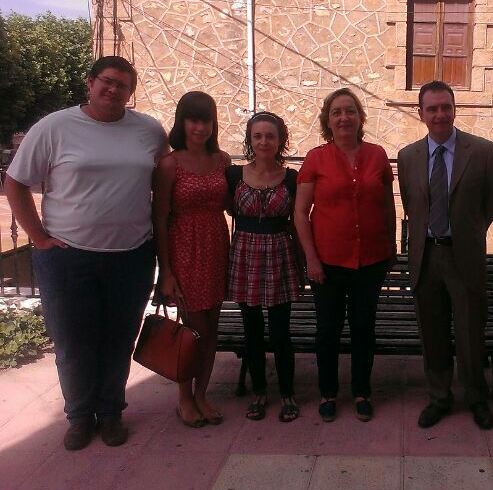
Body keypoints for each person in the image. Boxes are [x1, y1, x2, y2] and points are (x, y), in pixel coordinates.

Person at [4, 56, 168, 450]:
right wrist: (39, 237)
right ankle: (79, 417)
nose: (113, 91)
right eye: (107, 82)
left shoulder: (148, 130)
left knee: (118, 339)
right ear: (91, 83)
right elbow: (15, 183)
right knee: (74, 342)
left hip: (132, 255)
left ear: (130, 93)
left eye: (123, 86)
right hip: (67, 257)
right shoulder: (55, 127)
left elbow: (168, 176)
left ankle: (111, 414)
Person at [397, 80, 493, 430]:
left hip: (464, 256)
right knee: (433, 331)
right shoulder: (408, 156)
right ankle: (439, 397)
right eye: (432, 108)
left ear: (454, 109)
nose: (440, 114)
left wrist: (466, 234)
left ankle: (476, 397)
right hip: (426, 257)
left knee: (472, 332)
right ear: (421, 113)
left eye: (446, 107)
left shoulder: (483, 151)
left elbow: (490, 204)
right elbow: (413, 204)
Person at [294, 88, 396, 423]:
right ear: (328, 120)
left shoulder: (378, 155)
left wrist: (391, 246)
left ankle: (362, 392)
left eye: (350, 111)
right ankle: (328, 393)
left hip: (370, 259)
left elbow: (386, 205)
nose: (344, 118)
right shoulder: (315, 158)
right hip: (328, 264)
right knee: (328, 331)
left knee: (365, 329)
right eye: (337, 112)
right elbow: (300, 213)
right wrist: (311, 260)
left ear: (359, 117)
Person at [153, 91, 231, 428]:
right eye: (193, 119)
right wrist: (165, 271)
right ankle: (184, 397)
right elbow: (158, 219)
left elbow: (231, 205)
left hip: (217, 247)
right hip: (185, 251)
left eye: (206, 120)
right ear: (182, 122)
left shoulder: (223, 160)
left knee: (212, 328)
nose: (200, 127)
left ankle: (202, 394)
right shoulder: (169, 164)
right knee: (193, 330)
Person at [226, 112, 302, 423]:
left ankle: (287, 392)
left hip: (280, 253)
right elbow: (229, 210)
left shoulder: (292, 178)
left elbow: (297, 222)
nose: (264, 141)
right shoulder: (233, 176)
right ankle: (259, 391)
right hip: (245, 254)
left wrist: (303, 260)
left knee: (282, 331)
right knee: (252, 330)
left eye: (270, 136)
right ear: (250, 140)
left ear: (280, 140)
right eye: (257, 136)